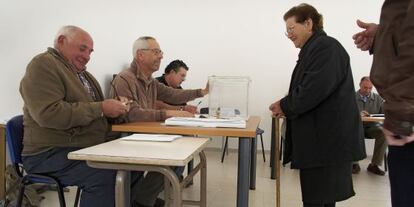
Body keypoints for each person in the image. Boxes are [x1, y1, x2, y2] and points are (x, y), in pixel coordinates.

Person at [19, 25, 130, 207]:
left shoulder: (84, 75)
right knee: (106, 174)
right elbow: (48, 114)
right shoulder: (42, 65)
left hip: (80, 146)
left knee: (135, 163)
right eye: (82, 48)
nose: (87, 56)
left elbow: (94, 112)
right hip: (49, 153)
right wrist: (101, 108)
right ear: (61, 41)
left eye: (90, 51)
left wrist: (115, 109)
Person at [269, 4, 366, 207]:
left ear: (308, 23)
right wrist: (286, 104)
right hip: (322, 142)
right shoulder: (314, 49)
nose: (289, 35)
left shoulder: (326, 48)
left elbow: (312, 91)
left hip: (326, 143)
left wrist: (285, 105)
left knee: (318, 199)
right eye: (286, 30)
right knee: (321, 199)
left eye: (291, 28)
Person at [110, 36, 208, 207]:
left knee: (182, 150)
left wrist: (202, 91)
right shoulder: (125, 79)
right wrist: (167, 114)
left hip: (145, 134)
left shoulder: (151, 82)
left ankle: (142, 199)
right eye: (156, 52)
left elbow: (174, 94)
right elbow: (131, 114)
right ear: (140, 55)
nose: (161, 56)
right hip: (126, 138)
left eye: (160, 52)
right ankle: (142, 201)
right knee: (176, 153)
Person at [353, 1, 414, 206]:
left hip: (407, 117)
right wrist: (383, 35)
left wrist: (402, 115)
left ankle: (374, 164)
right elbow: (405, 30)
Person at [352, 76, 387, 175]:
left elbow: (384, 114)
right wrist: (357, 114)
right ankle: (354, 163)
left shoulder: (378, 98)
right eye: (365, 88)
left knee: (384, 133)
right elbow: (344, 114)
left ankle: (374, 165)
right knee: (352, 131)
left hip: (372, 127)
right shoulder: (351, 97)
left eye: (370, 88)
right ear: (360, 85)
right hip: (356, 127)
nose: (367, 90)